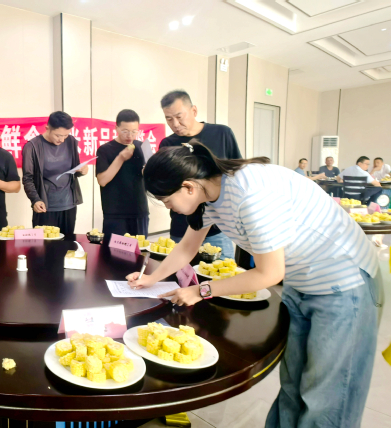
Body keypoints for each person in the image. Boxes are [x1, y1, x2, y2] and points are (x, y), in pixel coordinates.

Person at [128, 141, 381, 428]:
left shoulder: (249, 195)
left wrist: (201, 291)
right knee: (293, 386)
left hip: (343, 283)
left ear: (188, 187)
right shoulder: (209, 195)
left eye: (166, 200)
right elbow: (188, 247)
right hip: (302, 282)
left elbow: (269, 274)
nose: (168, 207)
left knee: (327, 398)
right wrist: (151, 278)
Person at [158, 90, 241, 258]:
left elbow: (237, 173)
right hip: (182, 226)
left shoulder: (222, 134)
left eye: (179, 116)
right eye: (169, 119)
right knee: (181, 273)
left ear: (194, 111)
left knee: (221, 271)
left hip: (218, 226)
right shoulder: (167, 144)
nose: (175, 124)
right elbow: (167, 187)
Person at [22, 111, 88, 239]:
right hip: (45, 206)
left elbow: (74, 169)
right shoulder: (32, 146)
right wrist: (35, 200)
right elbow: (27, 178)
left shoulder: (71, 141)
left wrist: (82, 171)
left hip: (69, 204)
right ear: (47, 128)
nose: (62, 140)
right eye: (58, 135)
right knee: (45, 246)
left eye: (65, 135)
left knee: (67, 243)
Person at [96, 109, 151, 241]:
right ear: (116, 128)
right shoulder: (105, 150)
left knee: (139, 251)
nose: (130, 136)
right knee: (113, 252)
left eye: (134, 131)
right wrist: (121, 158)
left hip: (139, 211)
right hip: (115, 214)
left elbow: (153, 176)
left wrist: (148, 171)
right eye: (125, 131)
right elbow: (102, 180)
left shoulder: (143, 146)